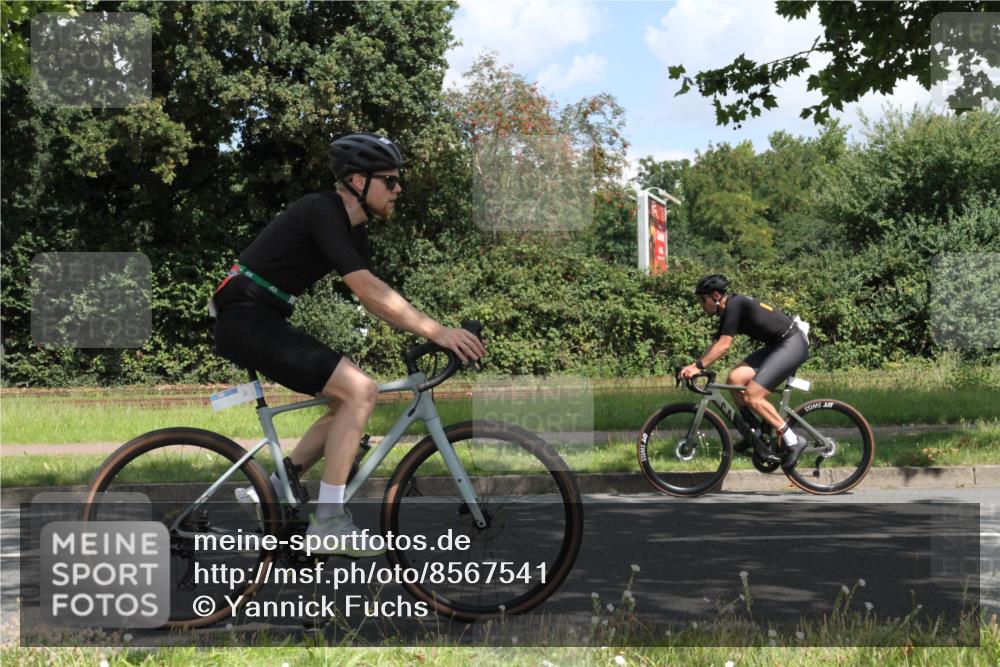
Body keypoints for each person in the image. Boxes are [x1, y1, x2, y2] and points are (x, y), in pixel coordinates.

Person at [210, 133, 486, 557]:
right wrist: (438, 332)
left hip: (257, 316)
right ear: (358, 180)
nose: (399, 190)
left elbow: (378, 295)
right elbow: (366, 290)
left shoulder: (352, 229)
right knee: (360, 389)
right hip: (245, 316)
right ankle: (330, 522)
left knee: (347, 399)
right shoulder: (323, 209)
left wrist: (428, 332)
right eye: (390, 181)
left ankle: (278, 487)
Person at [679, 274, 809, 469]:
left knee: (752, 396)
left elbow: (724, 345)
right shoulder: (729, 309)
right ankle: (754, 432)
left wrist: (698, 367)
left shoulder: (735, 304)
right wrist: (694, 364)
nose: (701, 304)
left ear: (715, 295)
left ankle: (793, 440)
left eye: (702, 299)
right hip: (778, 345)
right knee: (735, 378)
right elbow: (717, 343)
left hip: (792, 343)